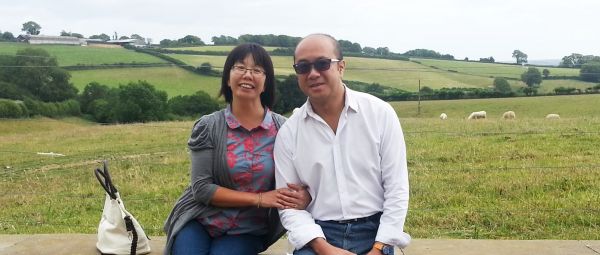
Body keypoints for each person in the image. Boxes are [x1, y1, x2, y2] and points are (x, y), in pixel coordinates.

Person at [164, 43, 311, 255]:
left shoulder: (285, 130)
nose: (247, 75)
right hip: (199, 219)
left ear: (265, 82)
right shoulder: (208, 126)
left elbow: (304, 180)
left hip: (248, 229)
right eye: (240, 68)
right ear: (228, 77)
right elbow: (202, 188)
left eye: (257, 70)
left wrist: (304, 195)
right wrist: (260, 199)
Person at [274, 34, 411, 255]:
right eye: (303, 67)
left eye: (322, 63)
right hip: (319, 233)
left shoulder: (379, 114)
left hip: (375, 230)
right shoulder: (289, 133)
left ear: (341, 67)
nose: (313, 73)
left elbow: (397, 188)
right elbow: (289, 206)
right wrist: (324, 248)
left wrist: (379, 248)